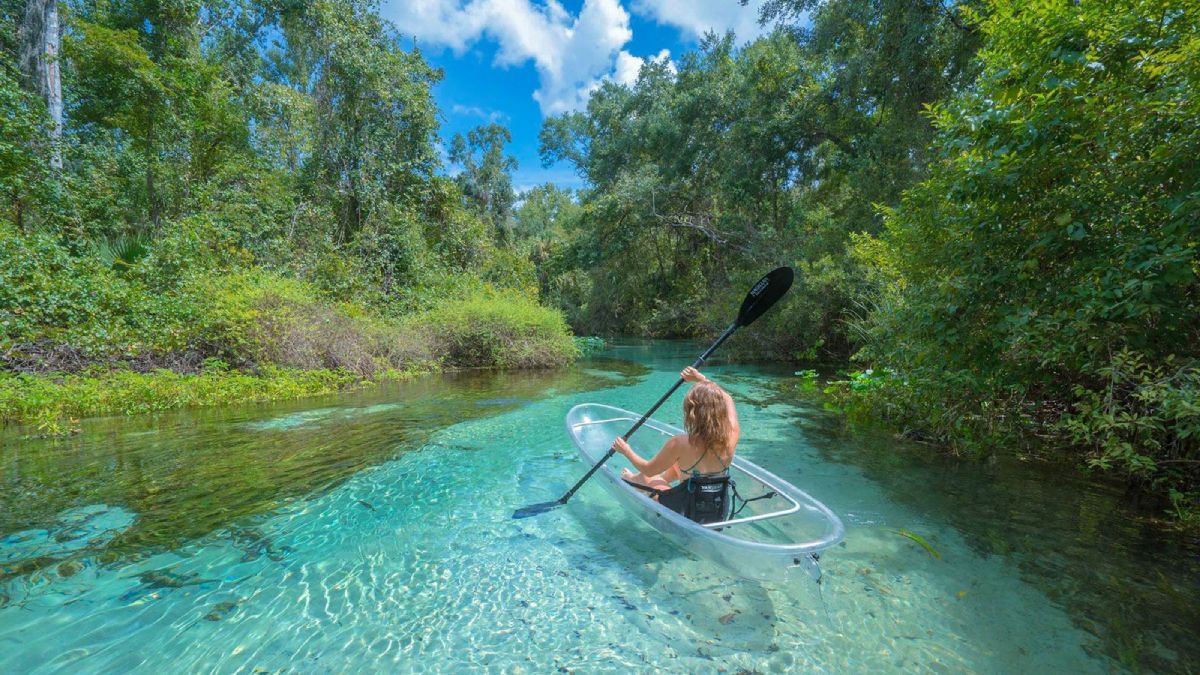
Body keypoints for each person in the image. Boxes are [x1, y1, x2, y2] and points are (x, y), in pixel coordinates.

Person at [610, 366, 739, 522]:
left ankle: (636, 481)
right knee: (679, 465)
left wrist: (626, 450)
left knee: (645, 476)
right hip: (718, 511)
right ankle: (652, 480)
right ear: (719, 411)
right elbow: (727, 399)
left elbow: (648, 470)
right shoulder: (732, 434)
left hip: (686, 513)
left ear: (692, 413)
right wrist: (701, 379)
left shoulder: (680, 442)